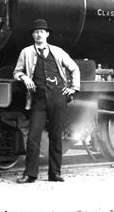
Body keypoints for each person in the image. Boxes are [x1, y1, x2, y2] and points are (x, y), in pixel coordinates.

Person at [13, 19, 80, 183]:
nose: (39, 34)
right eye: (36, 32)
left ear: (47, 34)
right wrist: (24, 77)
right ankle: (30, 174)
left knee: (56, 136)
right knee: (33, 136)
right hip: (38, 100)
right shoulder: (26, 52)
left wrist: (73, 88)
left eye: (42, 32)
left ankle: (55, 173)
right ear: (33, 35)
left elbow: (74, 68)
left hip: (58, 97)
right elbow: (16, 72)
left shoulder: (58, 51)